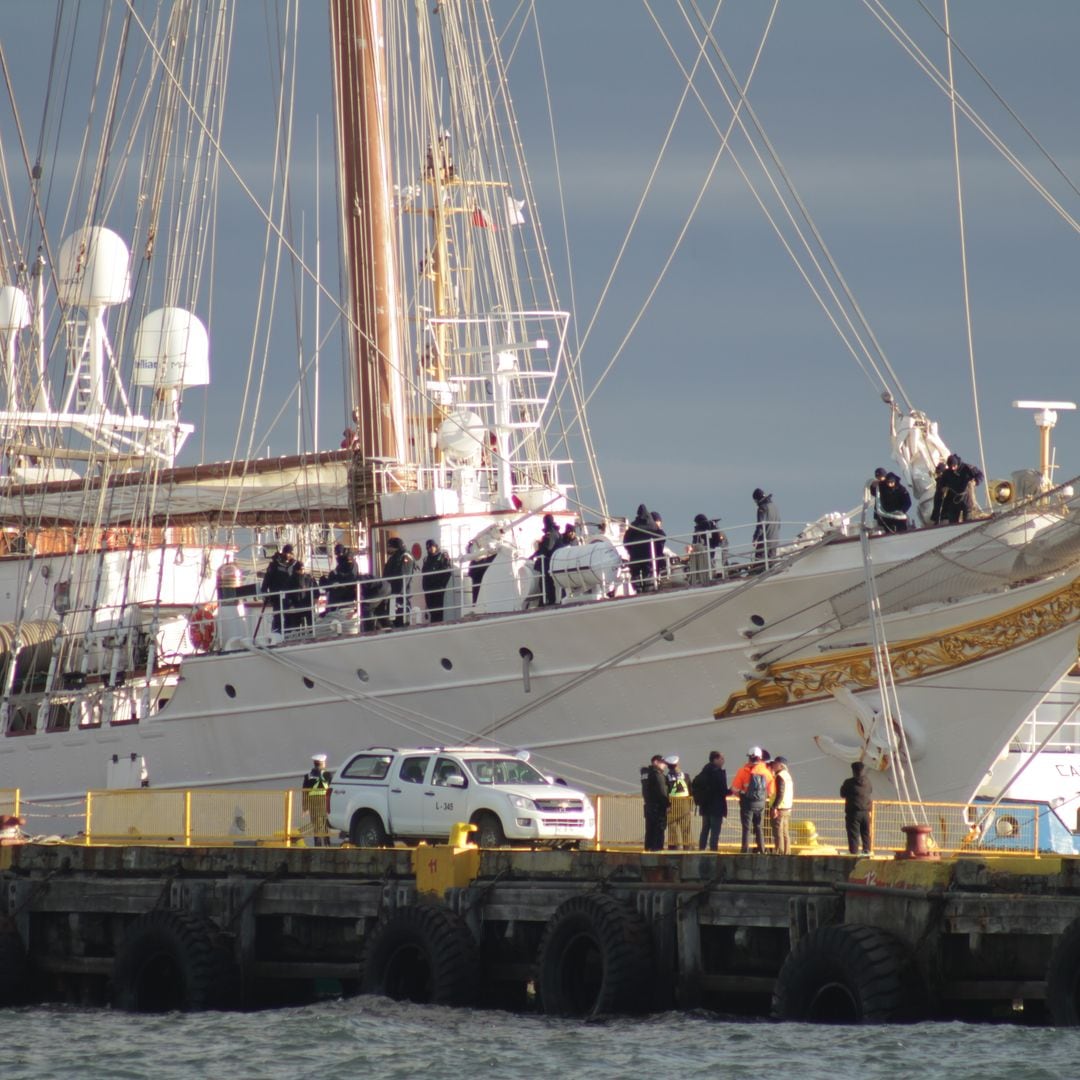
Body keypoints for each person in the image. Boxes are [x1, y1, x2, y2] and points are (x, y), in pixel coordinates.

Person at [730, 746, 774, 854]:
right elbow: (772, 791)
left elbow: (734, 789)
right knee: (759, 826)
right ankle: (762, 849)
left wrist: (742, 796)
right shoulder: (766, 772)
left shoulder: (743, 771)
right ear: (760, 757)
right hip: (760, 804)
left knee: (746, 828)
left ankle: (744, 850)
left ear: (749, 757)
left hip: (747, 803)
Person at [931, 454, 984, 525]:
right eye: (950, 467)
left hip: (966, 499)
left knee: (968, 520)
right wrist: (942, 488)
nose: (952, 468)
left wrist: (976, 481)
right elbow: (940, 490)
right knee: (952, 523)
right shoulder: (947, 473)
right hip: (953, 501)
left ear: (957, 463)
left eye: (953, 466)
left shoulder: (967, 468)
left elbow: (980, 475)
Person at [692, 750, 728, 851]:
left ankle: (701, 849)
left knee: (705, 830)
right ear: (715, 759)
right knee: (715, 832)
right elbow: (723, 791)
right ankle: (713, 851)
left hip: (705, 806)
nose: (723, 760)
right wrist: (732, 791)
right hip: (716, 807)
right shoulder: (718, 773)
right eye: (721, 758)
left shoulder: (704, 772)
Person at [840, 761, 874, 855]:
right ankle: (867, 851)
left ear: (853, 771)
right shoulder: (868, 782)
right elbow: (870, 791)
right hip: (866, 812)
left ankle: (854, 853)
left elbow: (842, 794)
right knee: (866, 833)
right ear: (863, 770)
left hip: (853, 813)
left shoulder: (848, 782)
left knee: (853, 834)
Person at [260, 543, 295, 633]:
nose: (288, 555)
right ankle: (277, 632)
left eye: (290, 553)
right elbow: (267, 579)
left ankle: (288, 632)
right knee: (278, 616)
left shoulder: (293, 565)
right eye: (286, 552)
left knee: (289, 615)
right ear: (283, 552)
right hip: (277, 594)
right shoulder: (274, 565)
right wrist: (264, 592)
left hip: (289, 596)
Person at [623, 504, 659, 592]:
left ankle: (638, 590)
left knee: (635, 574)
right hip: (649, 555)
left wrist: (631, 551)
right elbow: (659, 538)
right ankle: (648, 590)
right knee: (648, 573)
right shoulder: (653, 526)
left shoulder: (633, 526)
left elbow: (626, 541)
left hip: (636, 556)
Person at [381, 537, 414, 627]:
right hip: (392, 595)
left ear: (394, 547)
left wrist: (398, 593)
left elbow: (404, 577)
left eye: (389, 547)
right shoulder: (394, 557)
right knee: (393, 621)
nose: (387, 549)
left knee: (401, 622)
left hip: (400, 597)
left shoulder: (405, 557)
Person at [301, 753, 331, 846]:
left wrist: (305, 808)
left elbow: (305, 792)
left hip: (313, 803)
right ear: (322, 763)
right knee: (326, 824)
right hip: (325, 802)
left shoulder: (308, 776)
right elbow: (331, 789)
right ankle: (327, 845)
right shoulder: (327, 775)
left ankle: (317, 846)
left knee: (316, 825)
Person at [664, 754, 693, 850]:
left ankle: (673, 850)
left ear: (668, 765)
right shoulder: (686, 776)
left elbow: (665, 792)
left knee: (672, 829)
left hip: (671, 805)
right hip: (685, 804)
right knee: (686, 829)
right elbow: (690, 791)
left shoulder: (666, 778)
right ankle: (688, 849)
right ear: (677, 764)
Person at [641, 754, 669, 852]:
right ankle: (657, 851)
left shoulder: (646, 774)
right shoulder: (657, 774)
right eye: (662, 763)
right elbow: (662, 792)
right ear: (656, 762)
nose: (664, 765)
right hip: (658, 808)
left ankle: (648, 849)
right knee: (658, 830)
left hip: (648, 806)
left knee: (649, 830)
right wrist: (667, 805)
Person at [420, 539, 453, 623]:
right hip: (428, 589)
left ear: (435, 546)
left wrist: (442, 586)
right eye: (428, 548)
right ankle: (433, 625)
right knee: (431, 610)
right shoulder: (426, 559)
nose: (430, 549)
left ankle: (438, 625)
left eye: (432, 547)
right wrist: (425, 587)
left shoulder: (442, 557)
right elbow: (424, 573)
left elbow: (447, 572)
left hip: (438, 589)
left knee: (438, 611)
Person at [533, 514, 562, 606]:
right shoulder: (556, 532)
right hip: (552, 562)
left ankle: (547, 600)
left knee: (546, 583)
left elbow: (548, 547)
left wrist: (539, 548)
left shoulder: (551, 533)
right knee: (549, 583)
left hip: (547, 563)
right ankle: (548, 599)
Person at [320, 546, 359, 612]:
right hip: (343, 596)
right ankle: (329, 610)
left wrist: (332, 581)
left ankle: (329, 610)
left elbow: (348, 578)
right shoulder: (345, 564)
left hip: (345, 597)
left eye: (338, 553)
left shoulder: (349, 564)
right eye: (336, 554)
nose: (337, 556)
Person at [283, 559, 317, 630]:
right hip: (296, 606)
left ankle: (312, 633)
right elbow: (287, 595)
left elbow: (316, 590)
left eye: (303, 569)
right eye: (300, 569)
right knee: (295, 626)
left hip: (308, 605)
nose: (302, 571)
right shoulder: (291, 580)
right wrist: (290, 605)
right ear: (296, 570)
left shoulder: (309, 578)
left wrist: (315, 599)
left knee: (311, 625)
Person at [769, 756, 793, 855]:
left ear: (781, 765)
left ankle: (779, 853)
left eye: (775, 763)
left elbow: (780, 793)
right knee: (784, 832)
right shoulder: (787, 775)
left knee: (778, 831)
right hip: (787, 807)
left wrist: (774, 807)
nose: (773, 765)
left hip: (780, 808)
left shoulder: (780, 776)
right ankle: (787, 853)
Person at [752, 489, 780, 567]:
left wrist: (755, 538)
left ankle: (758, 574)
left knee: (759, 561)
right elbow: (779, 524)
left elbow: (761, 525)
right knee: (771, 562)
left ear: (757, 499)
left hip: (766, 540)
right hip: (775, 539)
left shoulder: (762, 508)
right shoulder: (774, 507)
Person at [650, 511, 668, 583]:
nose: (659, 523)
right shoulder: (654, 531)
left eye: (659, 521)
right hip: (654, 557)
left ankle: (657, 581)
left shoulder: (658, 532)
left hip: (657, 557)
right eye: (657, 521)